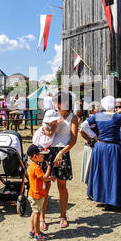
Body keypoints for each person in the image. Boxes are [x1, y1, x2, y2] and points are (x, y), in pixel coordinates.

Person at [40, 91, 79, 230]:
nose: (56, 105)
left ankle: (63, 216)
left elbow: (74, 140)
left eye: (59, 102)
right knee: (45, 187)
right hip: (48, 152)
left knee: (62, 187)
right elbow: (44, 132)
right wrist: (49, 128)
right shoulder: (50, 114)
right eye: (56, 102)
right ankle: (42, 217)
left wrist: (62, 152)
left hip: (62, 152)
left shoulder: (73, 118)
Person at [87, 96, 121, 210]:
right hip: (113, 147)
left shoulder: (98, 116)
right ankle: (114, 199)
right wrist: (119, 133)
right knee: (114, 173)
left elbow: (83, 126)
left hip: (100, 147)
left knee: (102, 172)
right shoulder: (117, 117)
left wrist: (95, 136)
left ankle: (102, 197)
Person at [26, 145, 54, 241]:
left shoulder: (31, 166)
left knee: (34, 213)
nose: (43, 157)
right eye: (41, 155)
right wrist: (49, 168)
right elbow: (45, 178)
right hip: (37, 195)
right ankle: (37, 233)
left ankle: (32, 230)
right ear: (35, 156)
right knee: (37, 213)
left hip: (32, 193)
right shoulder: (37, 167)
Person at [79, 101, 101, 186]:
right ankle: (90, 190)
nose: (99, 110)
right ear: (91, 110)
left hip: (93, 146)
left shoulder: (97, 118)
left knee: (93, 168)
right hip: (91, 146)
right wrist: (93, 138)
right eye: (97, 108)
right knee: (90, 167)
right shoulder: (91, 120)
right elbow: (82, 130)